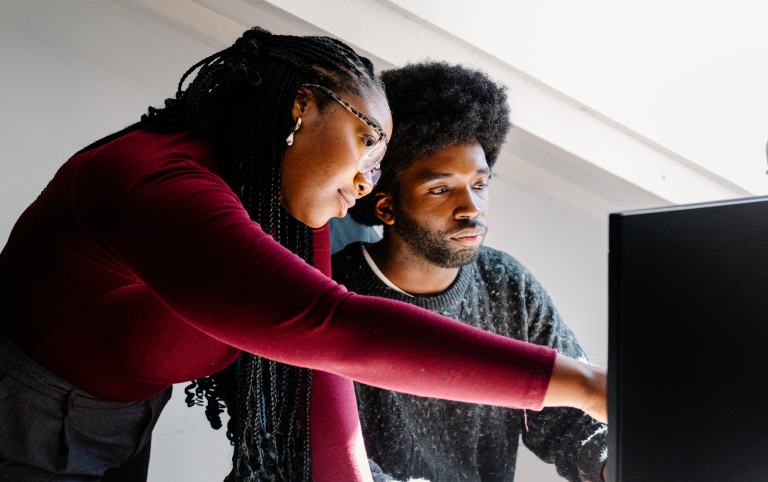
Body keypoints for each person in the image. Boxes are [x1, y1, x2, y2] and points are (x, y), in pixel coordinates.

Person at [0, 28, 606, 482]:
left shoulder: (282, 203)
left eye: (379, 162)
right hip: (23, 427)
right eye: (368, 144)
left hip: (122, 422)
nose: (368, 182)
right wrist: (581, 382)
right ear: (302, 108)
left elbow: (324, 387)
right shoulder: (160, 188)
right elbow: (336, 329)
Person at [334, 61, 607, 482]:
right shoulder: (333, 294)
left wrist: (610, 463)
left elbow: (574, 421)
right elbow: (328, 457)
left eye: (479, 185)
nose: (472, 209)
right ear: (386, 206)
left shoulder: (507, 285)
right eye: (441, 190)